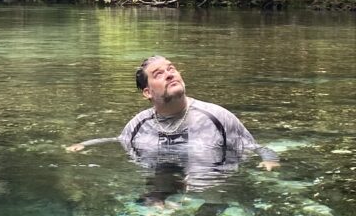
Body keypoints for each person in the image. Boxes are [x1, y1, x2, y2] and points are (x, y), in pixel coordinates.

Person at [66, 56, 279, 187]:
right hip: (162, 184)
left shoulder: (216, 117)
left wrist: (270, 161)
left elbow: (257, 147)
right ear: (147, 92)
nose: (169, 75)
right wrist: (86, 144)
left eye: (171, 69)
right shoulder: (139, 124)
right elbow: (118, 140)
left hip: (210, 189)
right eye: (159, 74)